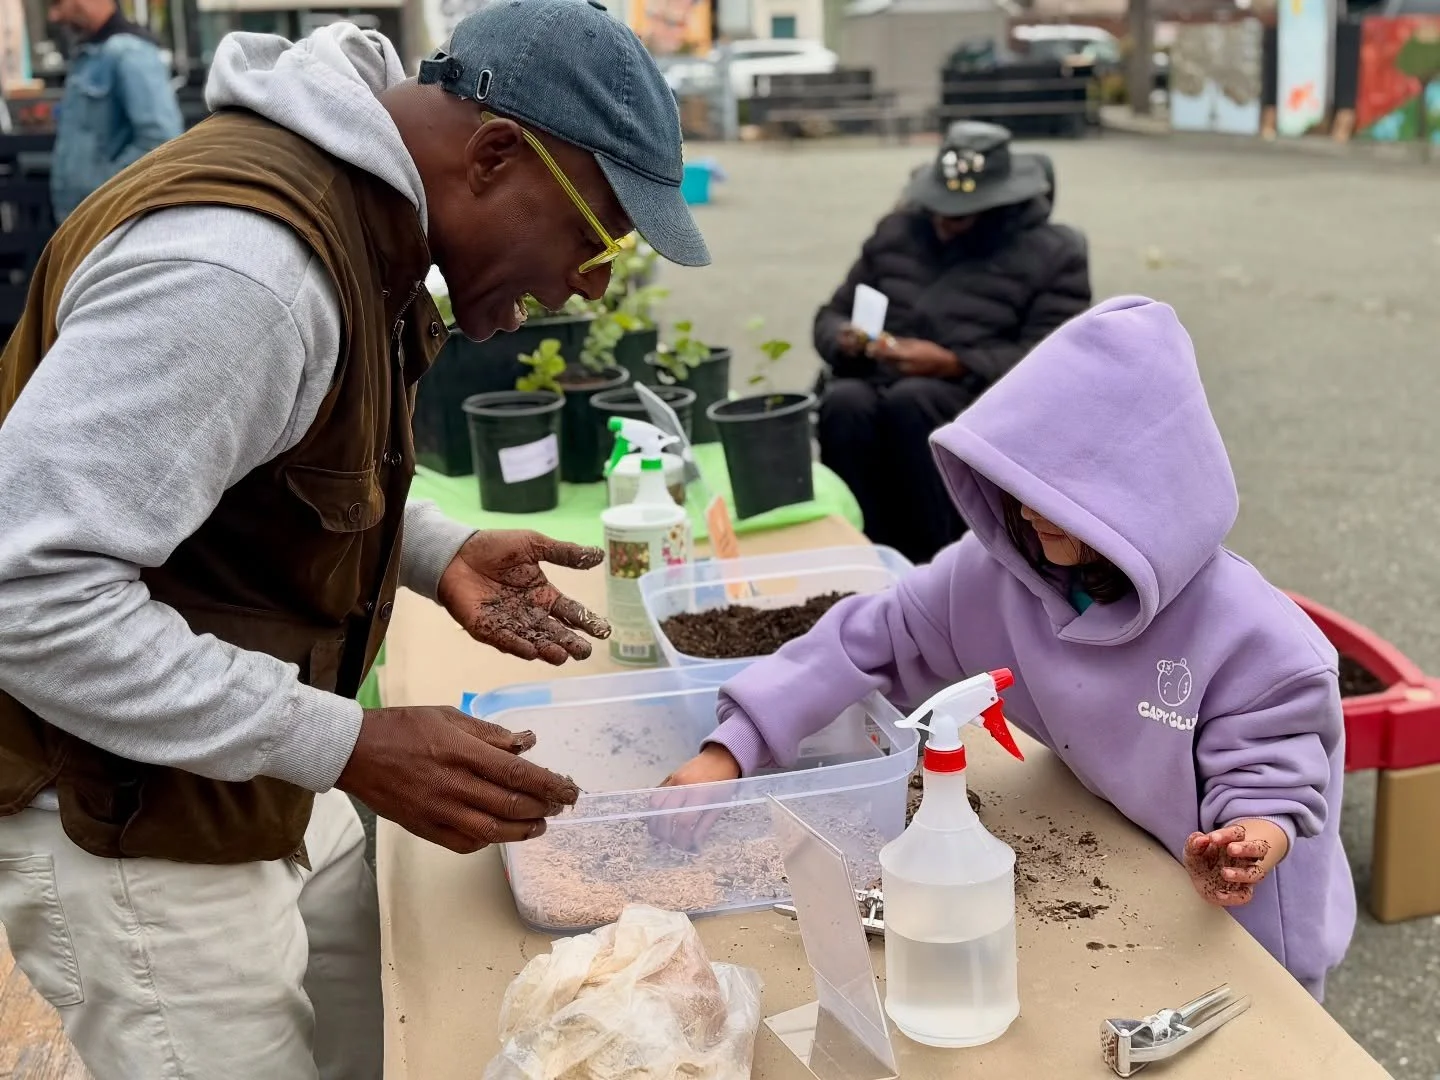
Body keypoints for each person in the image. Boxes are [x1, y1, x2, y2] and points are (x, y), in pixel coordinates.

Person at [0, 3, 707, 1077]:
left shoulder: (358, 218)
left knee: (374, 1037)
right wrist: (351, 745)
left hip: (243, 771)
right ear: (495, 154)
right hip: (130, 818)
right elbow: (24, 594)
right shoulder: (243, 276)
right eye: (596, 241)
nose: (586, 287)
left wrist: (433, 551)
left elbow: (251, 471)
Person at [661, 297, 1356, 1000]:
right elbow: (868, 634)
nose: (1023, 511)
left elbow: (1276, 787)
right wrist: (731, 749)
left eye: (1054, 495)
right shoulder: (992, 578)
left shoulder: (1260, 642)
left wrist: (1245, 845)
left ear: (1137, 496)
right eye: (1017, 484)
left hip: (1243, 916)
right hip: (1127, 867)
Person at [815, 121, 1090, 564]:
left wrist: (954, 364)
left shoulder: (1053, 254)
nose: (943, 223)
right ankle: (861, 553)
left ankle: (937, 562)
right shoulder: (897, 232)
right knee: (844, 402)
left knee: (914, 402)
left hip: (976, 395)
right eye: (937, 208)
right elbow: (829, 316)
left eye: (959, 215)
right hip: (877, 379)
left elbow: (1054, 359)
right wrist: (846, 339)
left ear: (999, 206)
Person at [46, 0, 183, 221]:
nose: (54, 16)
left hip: (109, 220)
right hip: (85, 220)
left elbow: (161, 139)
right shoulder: (89, 55)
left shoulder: (130, 52)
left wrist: (104, 191)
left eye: (57, 3)